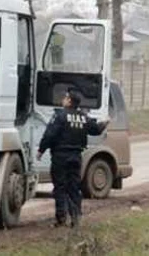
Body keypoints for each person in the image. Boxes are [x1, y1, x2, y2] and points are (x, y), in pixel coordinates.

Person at [36, 88, 108, 228]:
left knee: (60, 188)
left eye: (65, 97)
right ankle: (76, 218)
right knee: (74, 188)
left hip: (60, 157)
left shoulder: (60, 116)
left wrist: (41, 150)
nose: (63, 99)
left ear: (69, 101)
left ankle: (61, 218)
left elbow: (50, 135)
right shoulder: (83, 117)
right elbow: (95, 130)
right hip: (76, 157)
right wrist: (105, 123)